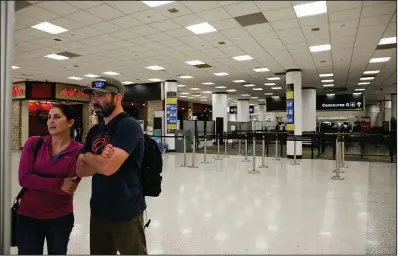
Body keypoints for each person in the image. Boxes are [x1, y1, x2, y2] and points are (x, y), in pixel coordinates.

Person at [76, 77, 147, 255]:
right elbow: (80, 169)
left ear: (117, 98)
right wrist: (98, 159)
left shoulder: (129, 126)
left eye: (100, 95)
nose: (95, 100)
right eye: (93, 96)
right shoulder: (95, 131)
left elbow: (108, 169)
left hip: (126, 211)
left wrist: (87, 156)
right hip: (98, 211)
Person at [16, 103, 83, 255]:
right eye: (49, 117)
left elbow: (69, 187)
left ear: (70, 122)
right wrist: (58, 183)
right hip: (28, 216)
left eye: (57, 117)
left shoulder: (79, 151)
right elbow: (24, 179)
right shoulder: (34, 143)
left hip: (60, 217)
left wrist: (39, 181)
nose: (51, 121)